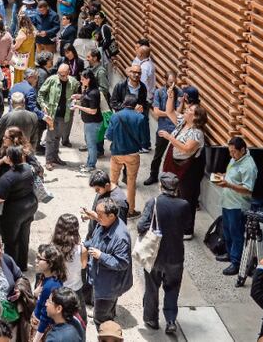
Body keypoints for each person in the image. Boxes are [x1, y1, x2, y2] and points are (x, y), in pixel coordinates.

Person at [138, 172, 192, 334]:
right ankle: (170, 320)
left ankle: (151, 319)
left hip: (154, 256)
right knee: (172, 289)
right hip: (175, 256)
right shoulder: (184, 205)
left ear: (161, 186)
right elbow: (188, 225)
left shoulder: (153, 202)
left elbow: (141, 226)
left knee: (152, 287)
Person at [158, 103, 208, 238]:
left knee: (187, 199)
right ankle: (176, 223)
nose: (186, 110)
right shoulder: (182, 123)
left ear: (196, 117)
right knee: (174, 194)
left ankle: (187, 230)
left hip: (188, 169)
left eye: (190, 110)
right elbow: (169, 111)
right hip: (175, 164)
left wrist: (169, 137)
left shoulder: (197, 133)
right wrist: (170, 96)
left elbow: (186, 149)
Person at [212, 136, 259, 275]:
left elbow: (248, 189)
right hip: (227, 202)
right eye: (230, 152)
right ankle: (229, 253)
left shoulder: (249, 167)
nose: (231, 155)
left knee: (236, 233)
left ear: (243, 149)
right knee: (227, 231)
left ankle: (236, 263)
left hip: (238, 206)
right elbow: (232, 174)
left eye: (234, 152)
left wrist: (228, 184)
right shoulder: (235, 158)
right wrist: (223, 176)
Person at [84, 198, 133, 325]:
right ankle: (109, 314)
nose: (97, 217)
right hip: (101, 279)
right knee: (107, 307)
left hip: (109, 285)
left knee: (100, 319)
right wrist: (84, 245)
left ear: (111, 215)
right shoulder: (105, 223)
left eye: (99, 215)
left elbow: (122, 263)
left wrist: (101, 256)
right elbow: (96, 241)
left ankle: (104, 323)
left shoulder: (120, 237)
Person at [0, 146, 38, 271]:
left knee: (11, 241)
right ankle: (22, 265)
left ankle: (11, 269)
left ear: (9, 159)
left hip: (13, 212)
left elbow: (0, 198)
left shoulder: (7, 178)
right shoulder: (29, 169)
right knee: (24, 236)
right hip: (30, 206)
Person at [105, 94, 147, 216]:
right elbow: (145, 140)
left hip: (116, 152)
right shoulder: (140, 118)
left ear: (124, 102)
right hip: (133, 154)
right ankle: (130, 210)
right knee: (131, 182)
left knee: (113, 181)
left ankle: (110, 206)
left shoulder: (115, 116)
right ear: (136, 105)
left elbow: (109, 136)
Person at [37, 64, 80, 170]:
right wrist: (43, 105)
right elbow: (41, 94)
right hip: (52, 114)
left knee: (58, 137)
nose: (61, 76)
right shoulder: (52, 80)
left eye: (63, 75)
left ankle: (55, 157)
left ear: (68, 73)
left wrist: (76, 101)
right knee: (50, 138)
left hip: (65, 116)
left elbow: (78, 96)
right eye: (59, 74)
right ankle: (48, 160)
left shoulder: (73, 82)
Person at [143, 70, 181, 186]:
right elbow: (156, 112)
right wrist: (170, 113)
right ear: (165, 80)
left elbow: (178, 112)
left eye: (174, 82)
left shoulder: (179, 92)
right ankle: (153, 175)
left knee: (174, 157)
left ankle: (172, 180)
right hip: (163, 127)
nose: (172, 84)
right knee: (158, 154)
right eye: (170, 82)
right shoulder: (159, 92)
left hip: (176, 128)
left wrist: (170, 112)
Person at [51, 214, 87, 328]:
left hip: (57, 291)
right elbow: (83, 266)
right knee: (80, 323)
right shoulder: (82, 250)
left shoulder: (51, 249)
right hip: (75, 290)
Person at [74, 68, 106, 171]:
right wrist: (78, 96)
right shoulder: (88, 89)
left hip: (93, 123)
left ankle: (91, 165)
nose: (81, 81)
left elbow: (93, 111)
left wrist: (78, 107)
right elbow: (85, 98)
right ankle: (88, 163)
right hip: (88, 122)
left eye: (83, 79)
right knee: (89, 143)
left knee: (91, 145)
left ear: (88, 79)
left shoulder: (94, 92)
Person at [32, 244, 67, 337]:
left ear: (50, 264)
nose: (36, 261)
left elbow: (45, 317)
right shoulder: (45, 277)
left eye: (40, 259)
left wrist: (36, 339)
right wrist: (35, 294)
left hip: (41, 329)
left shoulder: (51, 286)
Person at [0, 91, 40, 157]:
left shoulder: (7, 117)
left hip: (10, 153)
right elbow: (34, 138)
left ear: (11, 103)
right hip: (25, 151)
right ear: (24, 102)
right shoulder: (33, 116)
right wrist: (31, 153)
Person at [11, 13, 37, 84]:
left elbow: (16, 46)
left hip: (21, 57)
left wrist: (11, 47)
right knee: (30, 72)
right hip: (30, 56)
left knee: (20, 74)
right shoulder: (33, 29)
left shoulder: (22, 31)